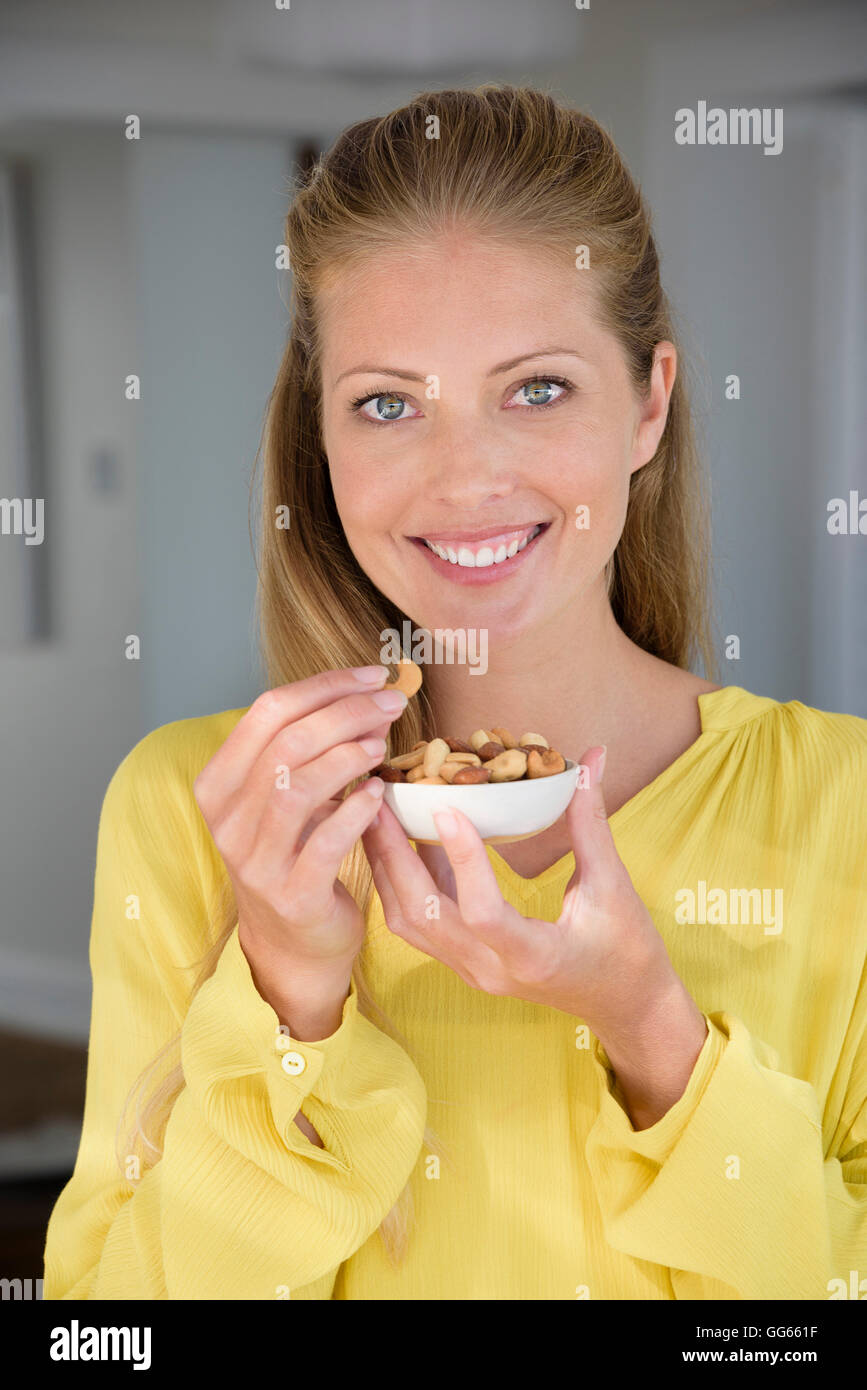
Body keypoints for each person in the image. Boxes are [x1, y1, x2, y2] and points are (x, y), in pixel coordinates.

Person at [44, 84, 866, 1300]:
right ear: (319, 442)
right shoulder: (190, 808)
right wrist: (286, 999)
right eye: (389, 404)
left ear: (648, 401)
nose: (465, 476)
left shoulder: (842, 803)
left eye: (536, 388)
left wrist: (654, 1033)